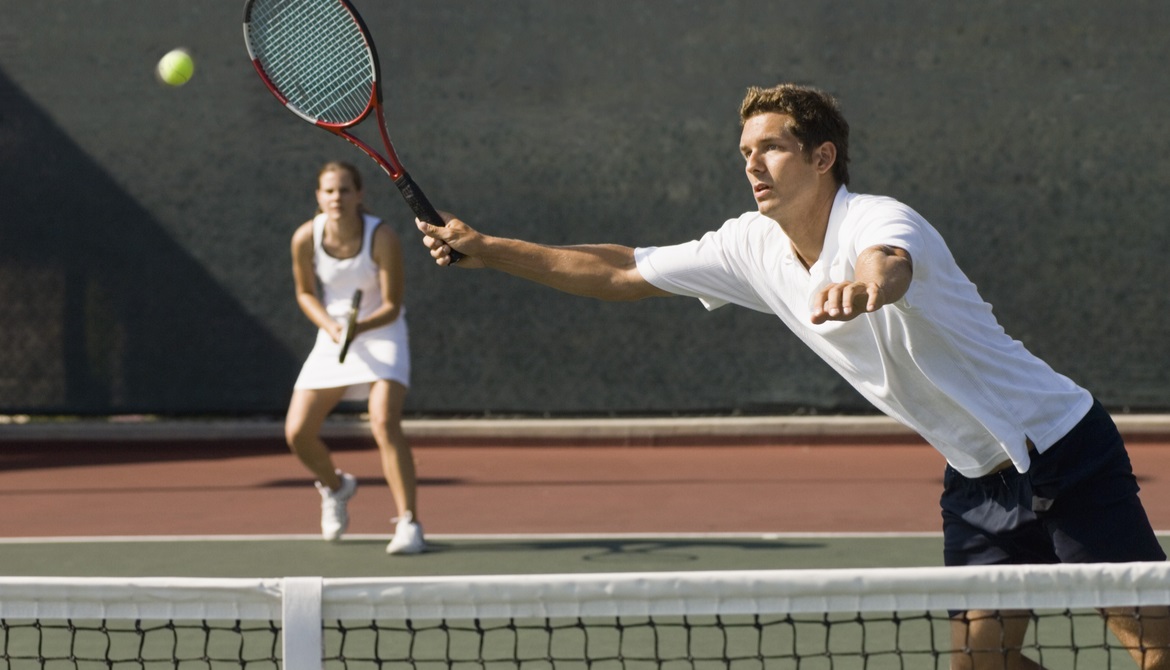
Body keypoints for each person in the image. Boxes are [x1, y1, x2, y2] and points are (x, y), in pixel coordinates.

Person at [416, 84, 1170, 667]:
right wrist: (491, 248)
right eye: (745, 150)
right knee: (982, 661)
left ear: (821, 158)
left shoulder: (879, 218)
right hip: (977, 479)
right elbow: (621, 269)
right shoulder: (751, 246)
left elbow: (892, 263)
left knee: (1152, 645)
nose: (751, 162)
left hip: (1064, 450)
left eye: (771, 147)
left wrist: (867, 286)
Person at [285, 161, 425, 555]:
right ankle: (336, 487)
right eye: (329, 191)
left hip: (382, 332)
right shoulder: (304, 238)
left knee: (383, 421)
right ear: (318, 196)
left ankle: (410, 523)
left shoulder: (382, 237)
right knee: (297, 433)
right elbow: (305, 293)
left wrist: (357, 328)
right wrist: (331, 326)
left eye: (345, 190)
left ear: (359, 194)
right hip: (333, 332)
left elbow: (393, 305)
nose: (337, 198)